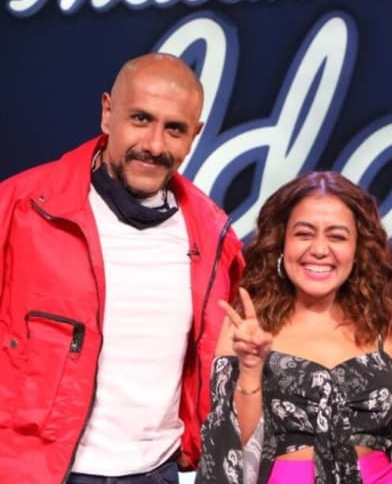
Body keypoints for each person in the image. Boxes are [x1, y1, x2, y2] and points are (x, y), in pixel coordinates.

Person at [0, 53, 245, 483]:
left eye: (174, 129)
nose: (154, 145)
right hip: (32, 472)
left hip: (155, 473)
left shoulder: (213, 235)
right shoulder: (20, 208)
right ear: (107, 113)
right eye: (140, 119)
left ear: (195, 135)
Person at [196, 171, 392, 484]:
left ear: (358, 248)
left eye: (337, 236)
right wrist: (251, 368)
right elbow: (229, 452)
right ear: (281, 242)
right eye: (304, 234)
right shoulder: (246, 329)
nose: (320, 249)